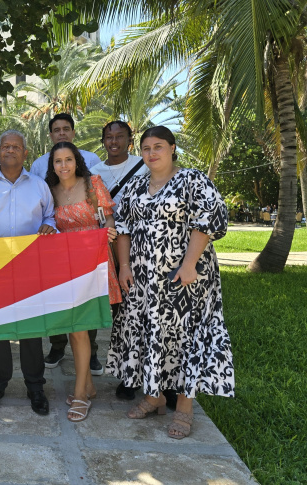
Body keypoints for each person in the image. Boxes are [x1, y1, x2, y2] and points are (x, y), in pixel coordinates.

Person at [107, 126, 234, 440]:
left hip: (185, 279)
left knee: (186, 337)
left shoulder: (192, 180)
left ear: (172, 148)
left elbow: (208, 220)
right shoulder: (136, 186)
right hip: (143, 280)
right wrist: (124, 266)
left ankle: (184, 408)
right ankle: (154, 397)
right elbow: (122, 226)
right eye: (147, 147)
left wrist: (189, 263)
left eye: (159, 146)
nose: (152, 153)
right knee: (151, 335)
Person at [0, 130, 56, 416]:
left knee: (31, 329)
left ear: (25, 153)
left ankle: (35, 387)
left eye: (16, 147)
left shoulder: (39, 185)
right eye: (4, 146)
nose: (10, 150)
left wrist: (50, 226)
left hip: (29, 267)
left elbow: (50, 216)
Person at [45, 142, 120, 421]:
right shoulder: (50, 192)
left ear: (76, 161)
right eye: (57, 161)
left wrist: (108, 233)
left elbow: (108, 219)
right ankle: (87, 385)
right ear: (52, 165)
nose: (63, 166)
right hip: (66, 267)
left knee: (81, 329)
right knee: (75, 328)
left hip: (94, 264)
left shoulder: (93, 184)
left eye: (68, 160)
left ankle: (80, 394)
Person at [32, 114, 101, 371]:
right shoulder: (41, 171)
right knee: (58, 302)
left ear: (73, 132)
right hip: (59, 253)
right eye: (56, 130)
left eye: (66, 129)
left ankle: (91, 352)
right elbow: (44, 210)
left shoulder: (93, 167)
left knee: (88, 305)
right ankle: (58, 346)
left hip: (90, 252)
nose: (63, 165)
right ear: (50, 135)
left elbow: (104, 214)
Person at [90, 120, 149, 400]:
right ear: (103, 141)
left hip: (145, 247)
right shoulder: (94, 172)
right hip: (110, 248)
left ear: (130, 139)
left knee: (146, 312)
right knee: (123, 313)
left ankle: (155, 375)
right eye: (109, 137)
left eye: (120, 136)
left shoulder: (145, 164)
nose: (114, 141)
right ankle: (129, 374)